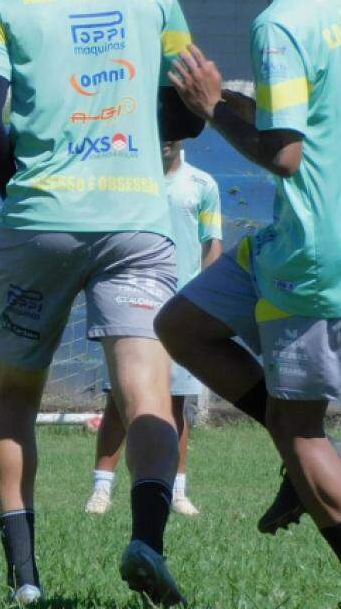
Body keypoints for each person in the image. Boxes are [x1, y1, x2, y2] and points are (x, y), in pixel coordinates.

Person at [158, 0, 341, 609]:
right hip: (328, 232)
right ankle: (307, 447)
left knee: (303, 437)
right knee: (182, 325)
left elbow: (286, 153)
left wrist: (211, 110)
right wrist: (240, 101)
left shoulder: (277, 23)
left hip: (316, 249)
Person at [0, 0, 203, 606]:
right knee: (148, 393)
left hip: (44, 219)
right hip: (136, 215)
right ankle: (147, 540)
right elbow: (190, 108)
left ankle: (25, 580)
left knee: (14, 396)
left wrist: (20, 188)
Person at [86, 136, 222, 517]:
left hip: (183, 308)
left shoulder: (203, 185)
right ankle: (101, 489)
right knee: (118, 400)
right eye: (159, 131)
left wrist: (209, 301)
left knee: (177, 402)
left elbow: (211, 244)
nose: (165, 139)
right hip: (135, 299)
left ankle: (177, 491)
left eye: (173, 133)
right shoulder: (130, 180)